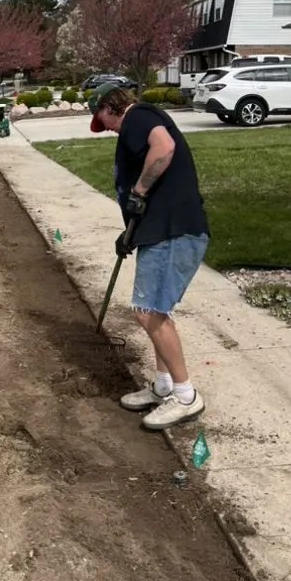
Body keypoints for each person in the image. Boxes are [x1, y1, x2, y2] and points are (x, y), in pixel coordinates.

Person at [88, 81, 210, 430]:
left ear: (110, 107)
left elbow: (164, 147)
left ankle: (186, 396)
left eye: (103, 121)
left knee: (149, 314)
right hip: (162, 231)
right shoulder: (136, 121)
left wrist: (138, 190)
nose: (108, 131)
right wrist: (129, 234)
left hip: (174, 231)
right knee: (156, 311)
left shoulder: (136, 116)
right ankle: (162, 386)